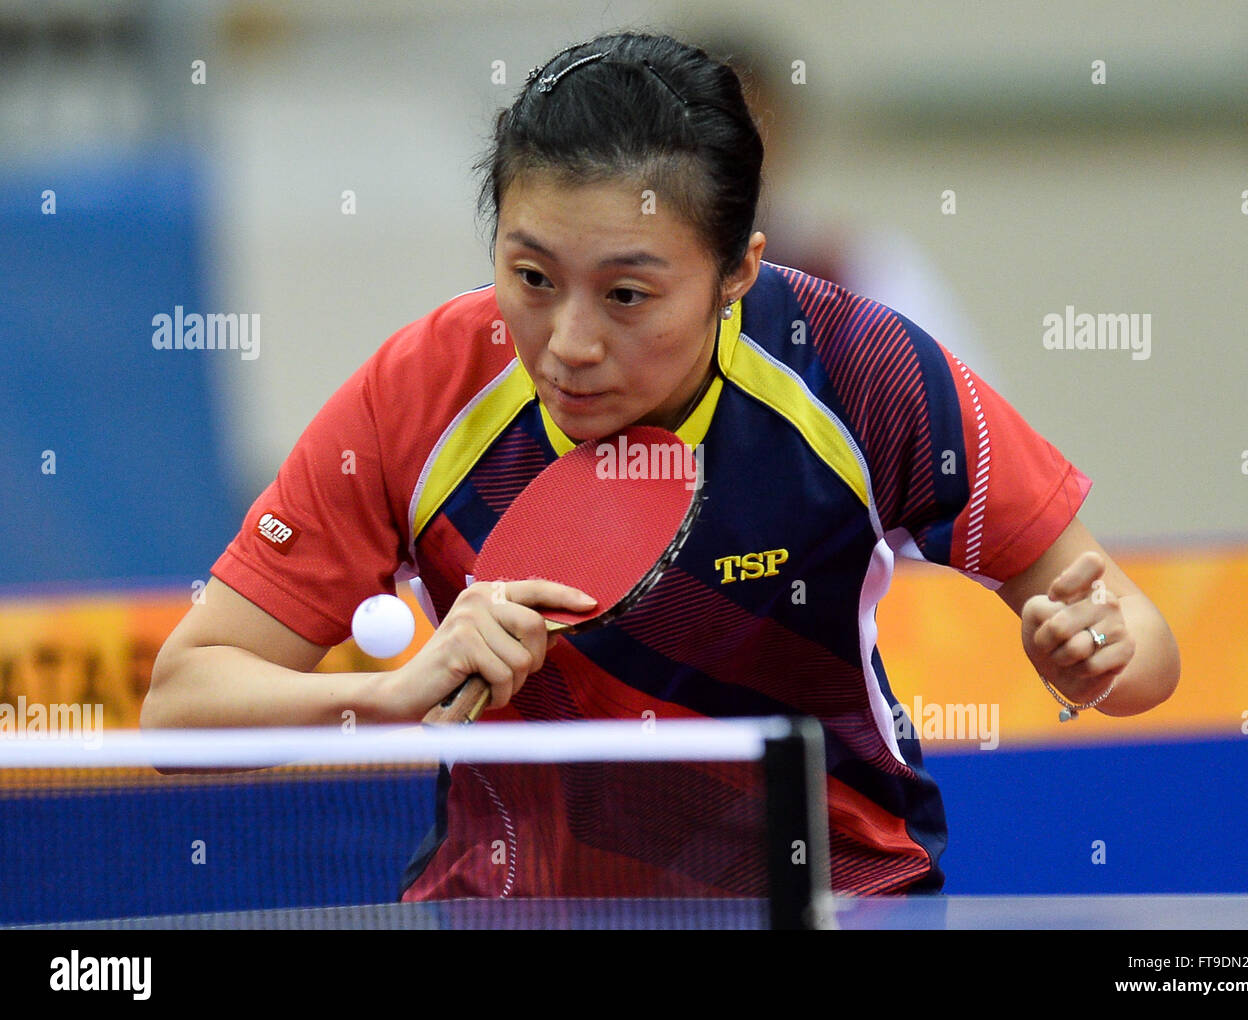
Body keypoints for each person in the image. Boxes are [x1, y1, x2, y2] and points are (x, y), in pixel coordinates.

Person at [143, 32, 1180, 897]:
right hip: (506, 912)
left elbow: (1140, 650)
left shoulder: (858, 372)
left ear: (737, 271)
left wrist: (1095, 656)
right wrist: (392, 693)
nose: (569, 342)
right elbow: (180, 706)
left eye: (627, 294)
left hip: (826, 902)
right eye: (531, 275)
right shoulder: (422, 391)